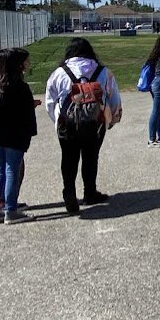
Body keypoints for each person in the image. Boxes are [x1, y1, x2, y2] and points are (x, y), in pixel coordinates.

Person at [44, 38, 122, 215]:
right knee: (91, 157)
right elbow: (114, 99)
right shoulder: (103, 72)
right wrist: (111, 121)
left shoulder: (59, 73)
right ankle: (90, 192)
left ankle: (69, 192)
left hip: (67, 123)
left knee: (68, 159)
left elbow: (50, 102)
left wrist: (57, 120)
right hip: (95, 124)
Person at [0, 47, 38, 225]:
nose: (28, 64)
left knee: (0, 171)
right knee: (12, 170)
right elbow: (23, 112)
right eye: (26, 61)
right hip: (13, 135)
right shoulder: (19, 87)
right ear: (18, 65)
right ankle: (10, 210)